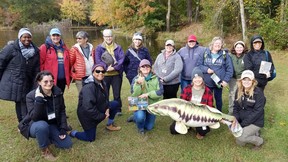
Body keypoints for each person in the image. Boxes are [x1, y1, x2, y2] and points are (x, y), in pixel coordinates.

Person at [18, 71, 72, 161]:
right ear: (39, 82)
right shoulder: (31, 96)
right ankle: (45, 150)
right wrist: (39, 100)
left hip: (51, 123)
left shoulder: (58, 92)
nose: (49, 83)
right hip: (35, 124)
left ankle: (47, 137)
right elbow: (35, 117)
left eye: (51, 81)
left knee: (67, 144)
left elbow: (62, 110)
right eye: (45, 81)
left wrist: (62, 128)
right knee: (42, 126)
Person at [69, 64, 121, 142]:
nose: (100, 73)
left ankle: (109, 124)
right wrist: (103, 116)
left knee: (115, 104)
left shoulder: (103, 82)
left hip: (98, 107)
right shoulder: (89, 87)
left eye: (103, 71)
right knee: (90, 138)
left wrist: (107, 108)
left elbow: (105, 99)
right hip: (86, 115)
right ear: (93, 72)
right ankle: (73, 133)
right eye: (98, 71)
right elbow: (88, 108)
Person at [0, 28, 40, 123]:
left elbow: (36, 68)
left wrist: (37, 81)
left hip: (28, 80)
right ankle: (22, 122)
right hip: (15, 80)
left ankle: (26, 121)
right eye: (24, 37)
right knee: (19, 101)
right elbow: (1, 62)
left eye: (29, 37)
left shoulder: (35, 51)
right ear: (19, 38)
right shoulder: (11, 48)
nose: (27, 39)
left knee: (27, 100)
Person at [169, 67, 214, 139]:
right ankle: (189, 126)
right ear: (192, 79)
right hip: (187, 114)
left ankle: (196, 127)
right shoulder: (187, 89)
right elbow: (181, 104)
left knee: (203, 131)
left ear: (202, 78)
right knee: (173, 130)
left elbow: (210, 106)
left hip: (200, 115)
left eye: (199, 77)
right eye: (195, 78)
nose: (197, 80)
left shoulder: (208, 91)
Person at [197, 36, 233, 112]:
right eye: (216, 43)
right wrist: (206, 69)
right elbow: (199, 65)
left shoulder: (225, 55)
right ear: (212, 44)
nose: (218, 45)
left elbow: (230, 69)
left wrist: (226, 80)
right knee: (207, 99)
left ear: (222, 45)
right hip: (207, 82)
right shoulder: (205, 53)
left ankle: (219, 113)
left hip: (219, 83)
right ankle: (207, 114)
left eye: (220, 43)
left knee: (218, 99)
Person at [232, 70, 265, 150]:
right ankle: (253, 133)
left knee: (241, 137)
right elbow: (235, 107)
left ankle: (259, 141)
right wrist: (236, 120)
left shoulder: (258, 93)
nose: (246, 82)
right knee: (240, 143)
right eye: (244, 79)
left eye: (249, 80)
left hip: (255, 122)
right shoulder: (239, 90)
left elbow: (257, 112)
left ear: (253, 81)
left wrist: (243, 124)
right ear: (241, 80)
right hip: (243, 120)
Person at [95, 29, 125, 115]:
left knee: (117, 93)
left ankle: (118, 109)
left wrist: (114, 68)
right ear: (103, 37)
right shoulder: (99, 48)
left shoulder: (118, 47)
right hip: (105, 74)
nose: (108, 38)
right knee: (105, 93)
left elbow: (121, 59)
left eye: (110, 36)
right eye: (106, 36)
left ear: (112, 37)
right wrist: (106, 67)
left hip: (116, 74)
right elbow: (98, 60)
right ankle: (106, 108)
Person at [131, 59, 163, 134]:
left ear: (150, 68)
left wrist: (148, 94)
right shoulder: (135, 79)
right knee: (140, 117)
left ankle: (135, 118)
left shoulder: (156, 78)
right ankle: (140, 127)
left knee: (149, 127)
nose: (145, 68)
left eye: (147, 66)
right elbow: (134, 94)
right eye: (143, 66)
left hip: (152, 104)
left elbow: (160, 92)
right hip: (139, 103)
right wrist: (138, 84)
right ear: (140, 68)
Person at [39, 28, 71, 93]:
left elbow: (69, 63)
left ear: (60, 36)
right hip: (50, 79)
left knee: (60, 97)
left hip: (62, 79)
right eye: (53, 35)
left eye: (57, 35)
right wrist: (42, 77)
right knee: (50, 98)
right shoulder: (45, 47)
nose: (56, 37)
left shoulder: (64, 48)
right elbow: (40, 63)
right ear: (50, 36)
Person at [228, 41, 248, 115]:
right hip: (233, 78)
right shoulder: (230, 56)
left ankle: (241, 111)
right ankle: (231, 111)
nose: (239, 49)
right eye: (237, 47)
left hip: (242, 79)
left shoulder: (246, 56)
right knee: (232, 94)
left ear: (243, 48)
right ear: (234, 48)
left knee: (242, 94)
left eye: (241, 47)